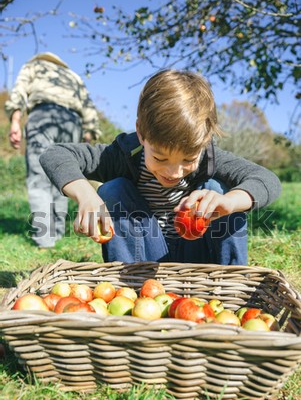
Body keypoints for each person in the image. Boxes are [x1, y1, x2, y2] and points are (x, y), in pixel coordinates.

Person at [40, 69, 281, 265]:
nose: (173, 172)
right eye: (161, 158)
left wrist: (229, 202)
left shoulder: (210, 157)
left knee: (218, 189)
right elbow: (55, 154)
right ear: (141, 134)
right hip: (143, 259)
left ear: (204, 142)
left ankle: (233, 288)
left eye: (187, 160)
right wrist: (86, 195)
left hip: (201, 262)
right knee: (113, 190)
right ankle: (128, 288)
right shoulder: (124, 154)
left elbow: (267, 180)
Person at [5, 52, 101, 249]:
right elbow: (88, 107)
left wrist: (15, 121)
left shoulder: (35, 66)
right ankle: (57, 235)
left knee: (39, 178)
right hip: (72, 122)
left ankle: (45, 240)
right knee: (65, 178)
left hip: (43, 117)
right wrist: (88, 135)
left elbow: (20, 92)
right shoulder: (73, 76)